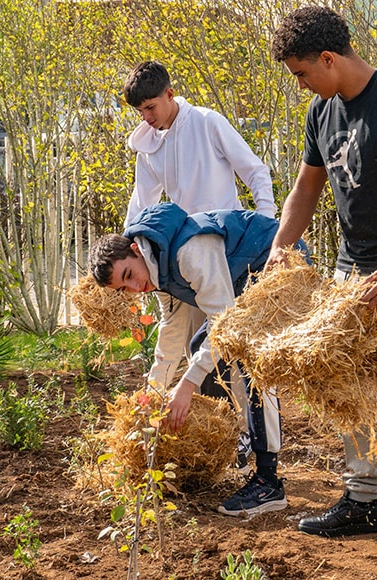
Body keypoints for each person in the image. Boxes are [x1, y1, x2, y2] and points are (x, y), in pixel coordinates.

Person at [267, 6, 377, 556]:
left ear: (328, 58)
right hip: (352, 271)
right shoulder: (323, 112)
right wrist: (281, 246)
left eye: (302, 74)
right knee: (349, 383)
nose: (302, 86)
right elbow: (306, 189)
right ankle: (363, 497)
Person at [89, 202, 308, 517]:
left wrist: (186, 386)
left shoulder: (189, 251)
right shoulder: (156, 270)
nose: (136, 288)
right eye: (125, 288)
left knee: (250, 360)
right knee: (197, 345)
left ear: (136, 250)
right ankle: (230, 438)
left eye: (129, 275)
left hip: (279, 263)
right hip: (240, 283)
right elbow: (172, 332)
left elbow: (225, 321)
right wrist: (154, 390)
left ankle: (268, 479)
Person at [122, 60, 279, 470]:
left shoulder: (208, 123)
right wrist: (128, 249)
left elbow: (255, 171)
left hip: (229, 255)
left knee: (236, 353)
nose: (147, 117)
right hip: (176, 262)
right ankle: (221, 437)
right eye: (140, 111)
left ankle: (257, 445)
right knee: (194, 350)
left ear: (171, 94)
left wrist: (269, 231)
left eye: (152, 107)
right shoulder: (149, 142)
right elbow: (141, 202)